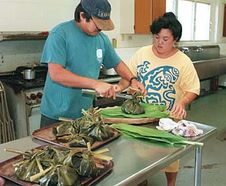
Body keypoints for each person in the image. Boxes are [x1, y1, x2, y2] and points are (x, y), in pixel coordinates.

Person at [116, 12, 200, 186]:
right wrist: (118, 87)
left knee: (169, 157)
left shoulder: (183, 61)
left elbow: (192, 89)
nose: (159, 42)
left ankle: (171, 184)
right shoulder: (142, 53)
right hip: (142, 117)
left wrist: (183, 102)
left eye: (165, 39)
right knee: (141, 153)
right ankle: (143, 180)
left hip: (169, 119)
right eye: (156, 37)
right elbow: (128, 76)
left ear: (175, 39)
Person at [39, 0, 146, 127]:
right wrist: (95, 84)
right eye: (98, 24)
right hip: (56, 116)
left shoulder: (101, 39)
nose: (100, 29)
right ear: (83, 16)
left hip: (85, 116)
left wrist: (132, 79)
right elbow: (57, 74)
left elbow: (117, 64)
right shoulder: (60, 34)